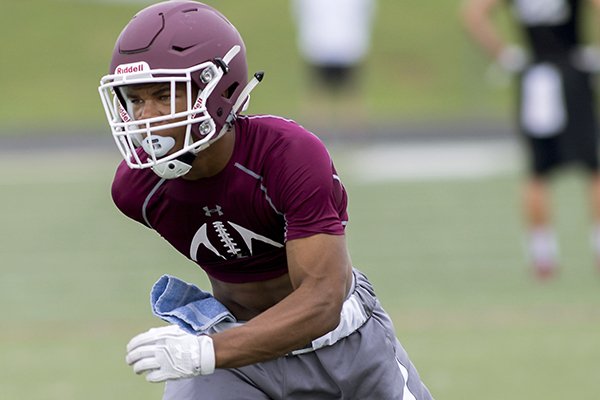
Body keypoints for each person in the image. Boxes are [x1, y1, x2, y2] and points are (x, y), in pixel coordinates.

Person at [98, 1, 434, 399]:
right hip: (238, 362)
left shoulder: (286, 155)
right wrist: (211, 350)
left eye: (164, 96)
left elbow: (323, 300)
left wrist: (207, 351)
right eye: (135, 101)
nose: (145, 117)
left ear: (217, 90)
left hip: (343, 346)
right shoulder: (137, 189)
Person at [461, 0, 600, 279]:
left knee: (539, 171)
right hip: (571, 74)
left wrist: (505, 54)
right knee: (591, 168)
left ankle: (542, 255)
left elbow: (474, 14)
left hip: (535, 78)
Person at [291, 0, 376, 131]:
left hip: (334, 44)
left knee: (343, 93)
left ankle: (345, 134)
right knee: (328, 93)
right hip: (331, 44)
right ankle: (324, 134)